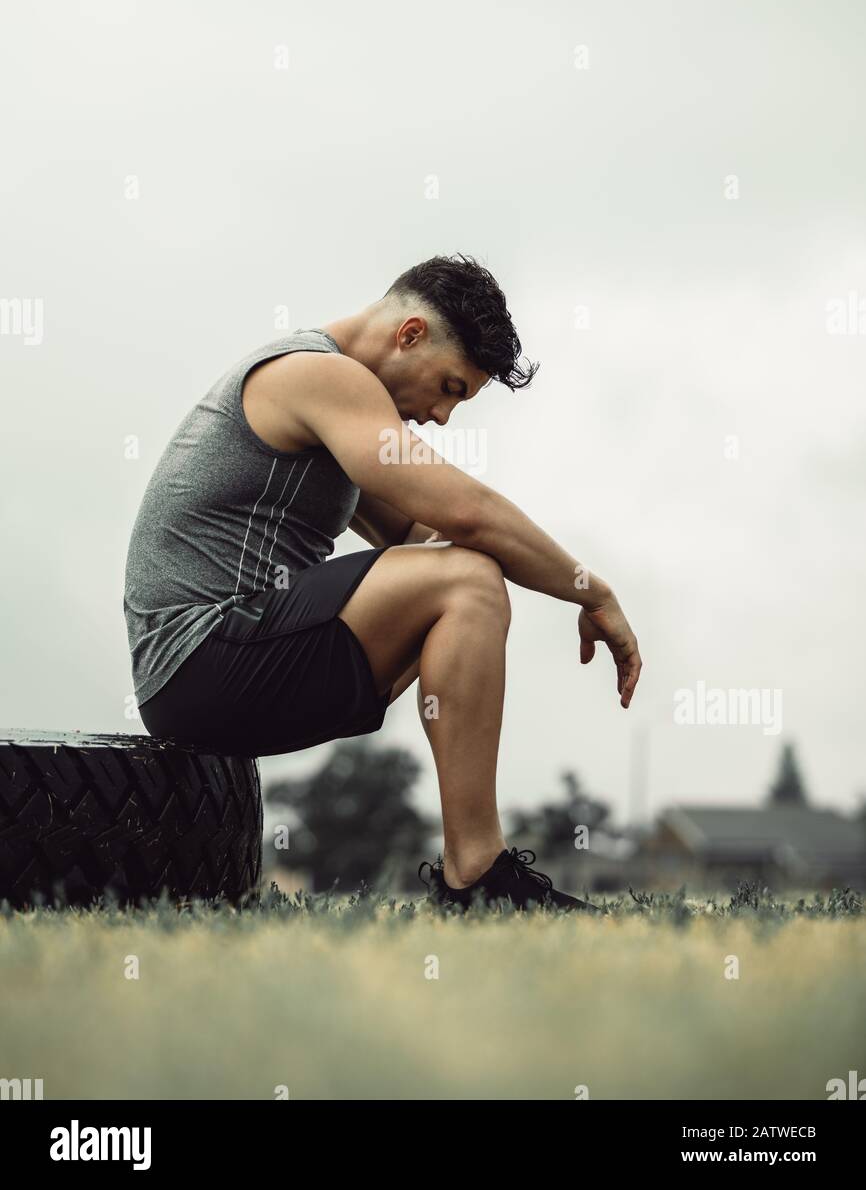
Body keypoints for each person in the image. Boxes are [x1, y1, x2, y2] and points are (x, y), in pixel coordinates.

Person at [124, 254, 641, 911]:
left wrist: (522, 579)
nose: (444, 416)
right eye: (451, 387)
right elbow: (465, 515)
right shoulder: (317, 375)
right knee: (470, 582)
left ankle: (475, 875)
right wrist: (591, 590)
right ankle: (477, 877)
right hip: (205, 656)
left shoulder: (343, 420)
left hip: (212, 675)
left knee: (470, 580)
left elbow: (424, 537)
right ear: (411, 334)